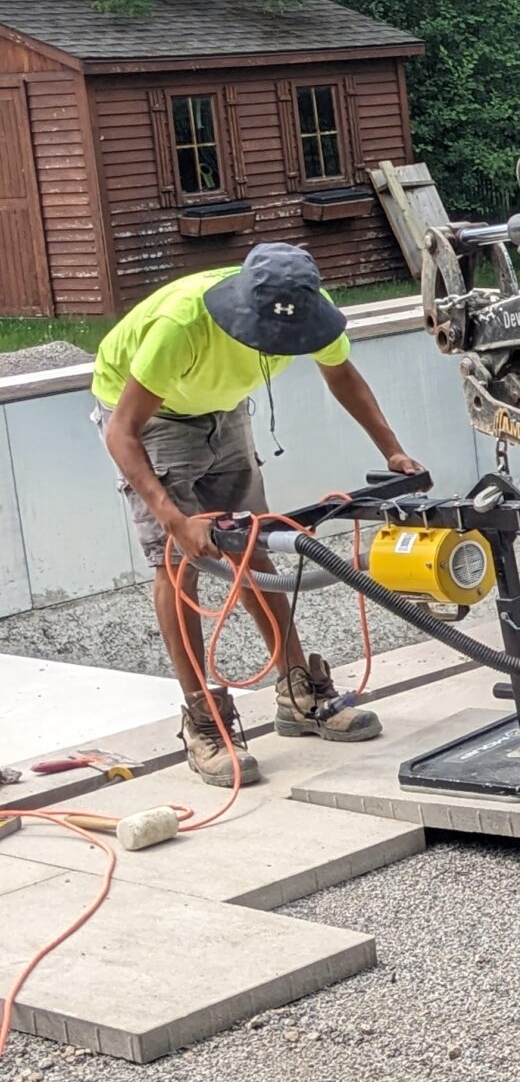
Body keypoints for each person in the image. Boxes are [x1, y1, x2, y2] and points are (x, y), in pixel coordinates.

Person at [92, 242, 424, 787]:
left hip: (223, 406)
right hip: (155, 417)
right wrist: (174, 520)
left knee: (254, 543)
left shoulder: (309, 305)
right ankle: (203, 720)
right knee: (179, 562)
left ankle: (298, 693)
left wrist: (392, 450)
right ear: (244, 313)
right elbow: (121, 432)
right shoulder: (183, 325)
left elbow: (342, 375)